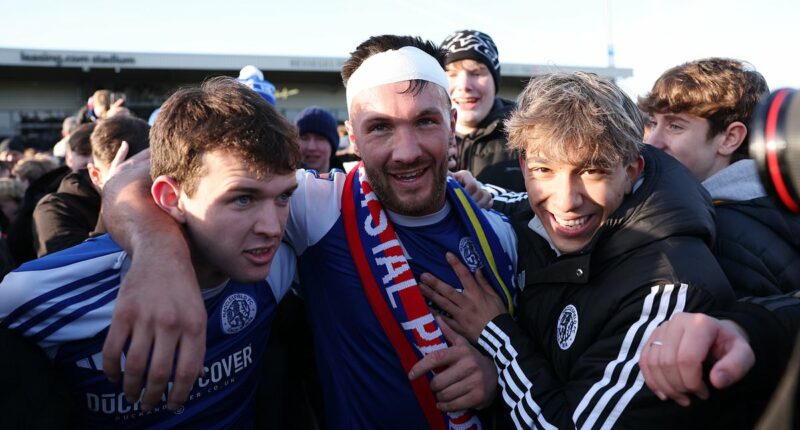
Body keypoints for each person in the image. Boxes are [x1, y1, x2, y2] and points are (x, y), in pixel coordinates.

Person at [98, 35, 518, 429]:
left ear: (451, 124)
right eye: (380, 127)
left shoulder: (500, 230)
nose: (406, 151)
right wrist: (158, 256)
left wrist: (495, 374)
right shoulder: (318, 205)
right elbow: (140, 177)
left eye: (425, 121)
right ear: (351, 137)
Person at [418, 72, 739, 429]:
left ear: (631, 170)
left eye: (592, 171)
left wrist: (496, 335)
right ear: (524, 166)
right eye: (544, 169)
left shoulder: (667, 290)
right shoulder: (535, 214)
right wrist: (480, 196)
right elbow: (522, 205)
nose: (566, 201)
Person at [0, 77, 300, 428]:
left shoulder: (281, 264)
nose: (272, 226)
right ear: (171, 198)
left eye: (283, 196)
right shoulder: (39, 294)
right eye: (242, 198)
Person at [638, 58, 800, 297]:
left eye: (675, 126)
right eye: (654, 123)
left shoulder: (716, 233)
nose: (652, 142)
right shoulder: (775, 203)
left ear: (730, 138)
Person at [33, 115, 150, 256]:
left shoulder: (158, 198)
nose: (138, 188)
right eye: (126, 180)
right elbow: (76, 272)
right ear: (95, 175)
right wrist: (113, 198)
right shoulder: (53, 210)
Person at [441, 29, 524, 191]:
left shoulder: (528, 137)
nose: (464, 86)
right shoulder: (425, 140)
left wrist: (490, 200)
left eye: (476, 73)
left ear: (495, 81)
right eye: (452, 74)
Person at [294, 106, 344, 172]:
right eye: (304, 138)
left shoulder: (350, 181)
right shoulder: (280, 181)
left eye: (320, 139)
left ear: (332, 145)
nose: (311, 147)